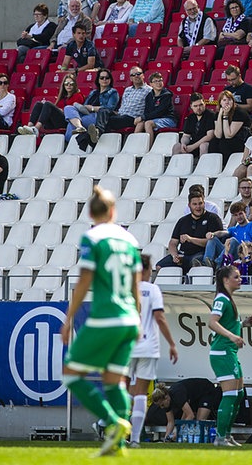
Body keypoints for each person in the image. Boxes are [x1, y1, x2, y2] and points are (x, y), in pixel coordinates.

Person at [58, 187, 141, 455]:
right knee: (114, 380)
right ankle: (116, 446)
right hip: (129, 318)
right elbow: (136, 287)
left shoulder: (92, 238)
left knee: (71, 375)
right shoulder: (130, 240)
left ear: (91, 213)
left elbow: (84, 281)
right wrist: (137, 319)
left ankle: (114, 422)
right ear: (113, 211)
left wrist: (69, 318)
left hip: (107, 316)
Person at [120, 254, 179, 447]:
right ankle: (135, 439)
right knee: (140, 393)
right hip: (147, 346)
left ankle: (106, 423)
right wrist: (171, 343)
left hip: (127, 345)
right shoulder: (152, 289)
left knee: (125, 388)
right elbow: (160, 318)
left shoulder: (124, 289)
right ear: (145, 270)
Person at [208, 265, 252, 447]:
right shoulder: (221, 299)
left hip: (230, 352)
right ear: (225, 280)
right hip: (222, 353)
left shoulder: (228, 299)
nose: (240, 278)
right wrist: (232, 336)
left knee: (238, 394)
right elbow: (212, 323)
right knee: (230, 394)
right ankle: (219, 438)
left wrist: (243, 324)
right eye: (236, 276)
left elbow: (226, 324)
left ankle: (226, 436)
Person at [157, 192, 224, 274]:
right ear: (189, 205)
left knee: (195, 263)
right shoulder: (183, 220)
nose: (198, 207)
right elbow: (173, 243)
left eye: (200, 203)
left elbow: (213, 242)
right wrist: (175, 255)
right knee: (159, 266)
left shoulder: (213, 218)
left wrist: (190, 239)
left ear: (204, 203)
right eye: (194, 204)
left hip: (201, 253)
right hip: (183, 254)